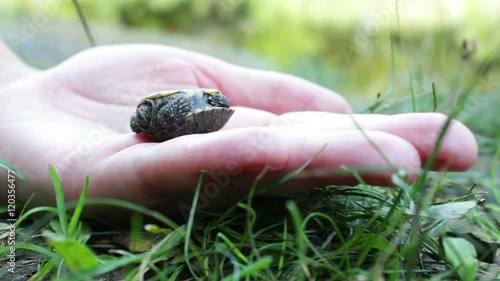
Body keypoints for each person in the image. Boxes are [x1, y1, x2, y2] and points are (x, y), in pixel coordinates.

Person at [0, 41, 477, 218]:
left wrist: (14, 84)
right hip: (162, 118)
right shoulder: (155, 118)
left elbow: (208, 109)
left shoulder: (205, 109)